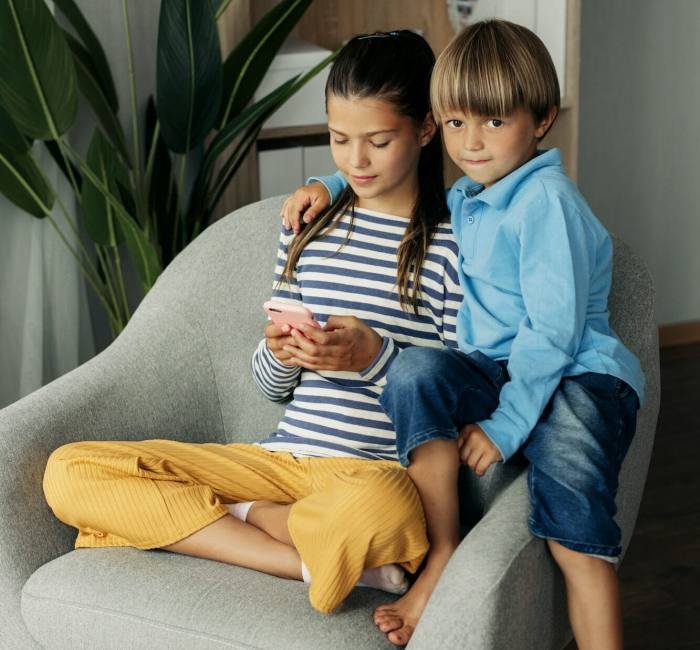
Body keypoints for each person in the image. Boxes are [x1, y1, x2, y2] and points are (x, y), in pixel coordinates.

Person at [42, 30, 465, 622]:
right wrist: (281, 355)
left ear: (425, 130)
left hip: (368, 474)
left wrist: (372, 358)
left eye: (378, 140)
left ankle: (234, 519)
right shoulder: (309, 227)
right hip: (276, 462)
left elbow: (457, 393)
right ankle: (303, 558)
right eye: (339, 139)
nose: (355, 161)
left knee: (385, 511)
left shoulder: (453, 249)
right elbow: (269, 389)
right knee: (70, 470)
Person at [281, 19, 645, 649]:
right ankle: (440, 553)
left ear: (541, 119)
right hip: (498, 366)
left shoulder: (546, 202)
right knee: (416, 369)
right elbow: (391, 168)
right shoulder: (478, 194)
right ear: (435, 125)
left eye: (494, 122)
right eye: (455, 123)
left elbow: (552, 332)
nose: (471, 143)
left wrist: (506, 425)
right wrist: (332, 183)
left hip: (578, 376)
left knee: (575, 540)